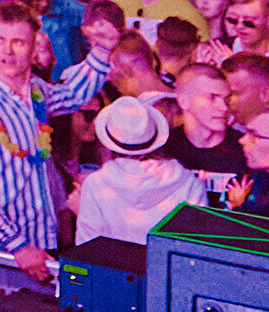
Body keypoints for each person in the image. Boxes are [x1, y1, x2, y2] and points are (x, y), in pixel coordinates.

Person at [0, 0, 112, 284]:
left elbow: (73, 95)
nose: (7, 51)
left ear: (34, 46)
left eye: (18, 42)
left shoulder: (37, 91)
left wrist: (103, 50)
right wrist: (17, 244)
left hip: (39, 242)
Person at [75, 94, 203, 245]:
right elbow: (197, 246)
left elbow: (87, 247)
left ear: (107, 144)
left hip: (112, 261)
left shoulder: (96, 184)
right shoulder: (189, 183)